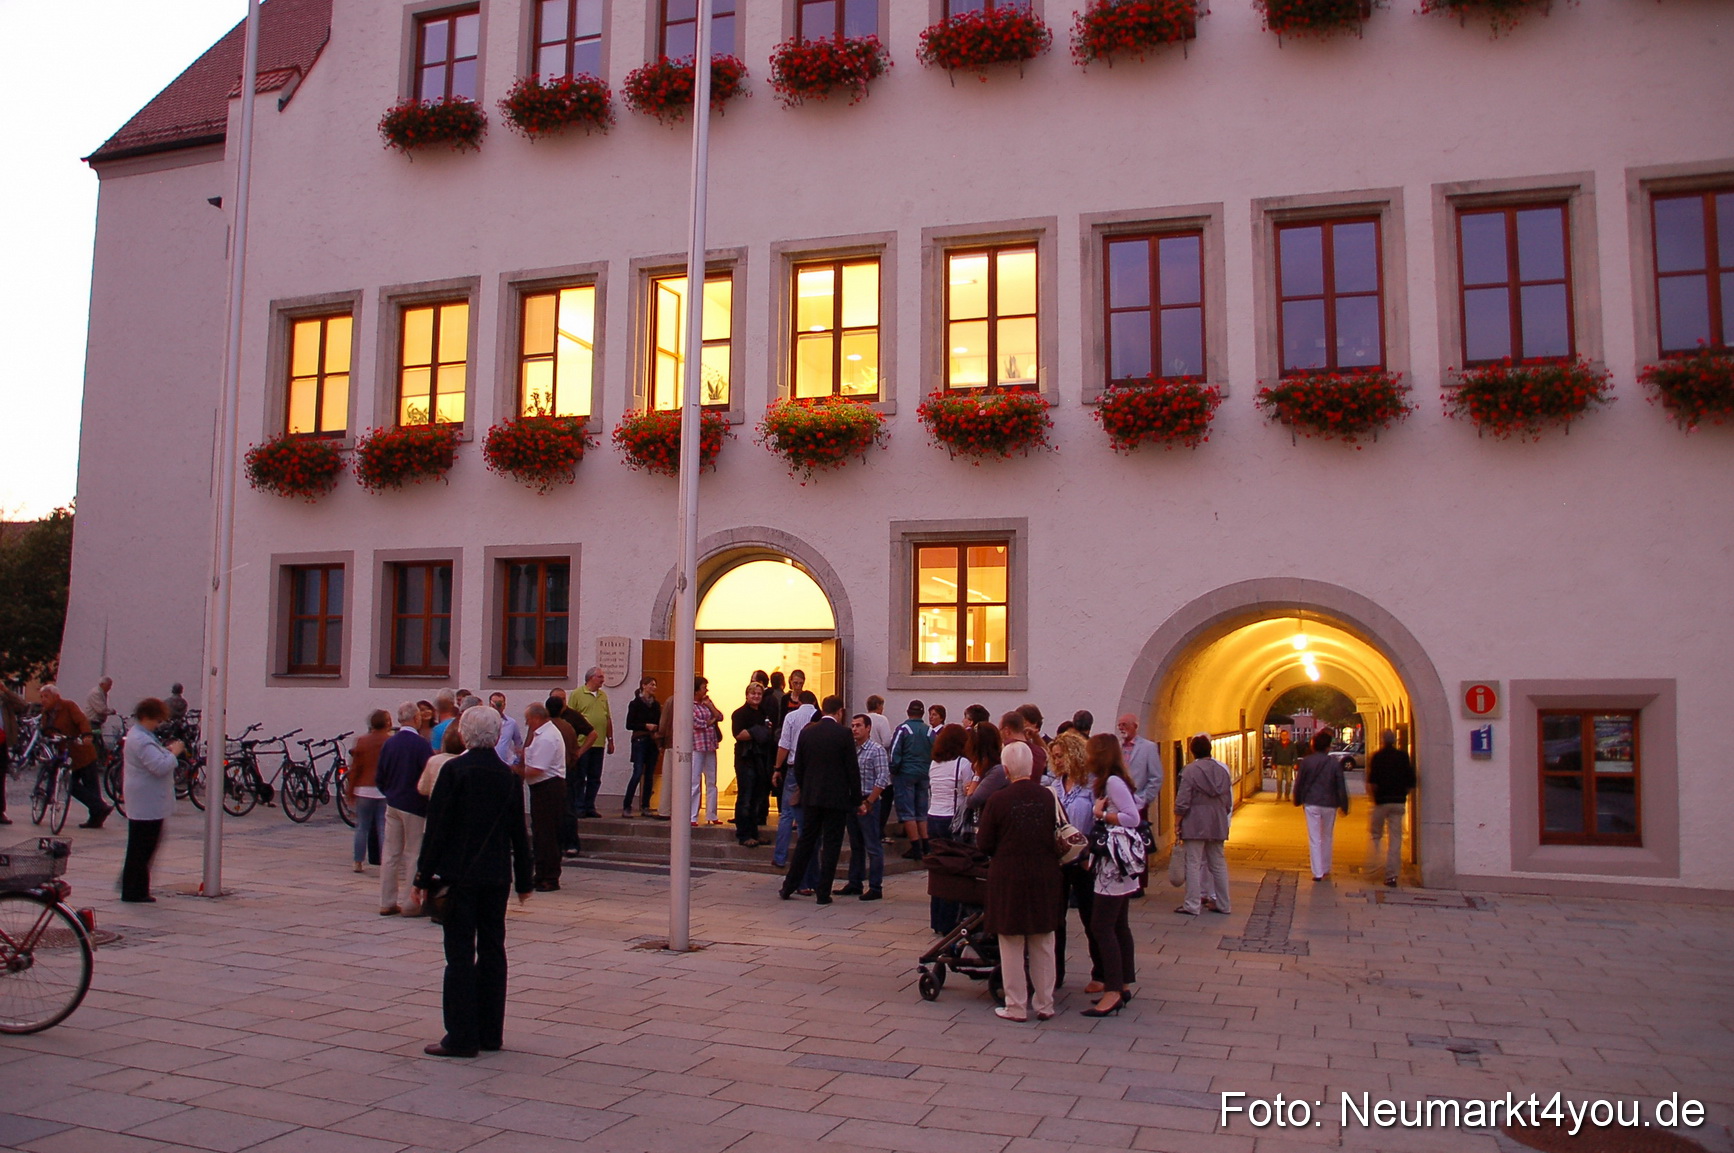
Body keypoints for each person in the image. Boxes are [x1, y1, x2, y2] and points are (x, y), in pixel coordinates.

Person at [413, 705, 534, 1058]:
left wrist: (422, 876)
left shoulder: (454, 771)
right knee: (494, 951)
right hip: (496, 876)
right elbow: (518, 834)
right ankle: (490, 1033)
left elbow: (436, 830)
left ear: (464, 735)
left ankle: (462, 1035)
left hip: (459, 876)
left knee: (460, 955)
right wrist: (525, 880)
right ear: (498, 737)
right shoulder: (509, 777)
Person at [978, 742, 1063, 1022]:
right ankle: (1045, 1003)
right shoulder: (1048, 796)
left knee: (1011, 941)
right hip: (1044, 874)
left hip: (1009, 875)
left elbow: (985, 843)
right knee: (1043, 940)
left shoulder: (998, 800)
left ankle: (1016, 1005)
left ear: (1005, 770)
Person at [778, 696, 861, 904]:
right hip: (836, 798)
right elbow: (852, 769)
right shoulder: (844, 734)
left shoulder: (807, 732)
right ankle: (823, 892)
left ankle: (789, 886)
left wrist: (806, 788)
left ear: (823, 710)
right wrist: (856, 798)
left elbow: (799, 766)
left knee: (806, 842)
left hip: (812, 796)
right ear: (840, 712)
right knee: (831, 845)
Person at [1082, 733, 1142, 1017]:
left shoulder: (1112, 782)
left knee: (1102, 925)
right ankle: (1123, 983)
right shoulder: (1114, 780)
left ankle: (1113, 989)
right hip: (1116, 865)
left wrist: (1102, 815)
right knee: (1118, 925)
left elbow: (1132, 817)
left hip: (1113, 866)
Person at [1046, 730, 1102, 993]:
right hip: (1060, 859)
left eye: (1061, 756)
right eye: (1054, 757)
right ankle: (1055, 973)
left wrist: (1089, 850)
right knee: (1056, 918)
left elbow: (1099, 820)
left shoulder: (1091, 784)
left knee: (1091, 917)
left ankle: (1100, 972)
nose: (1057, 761)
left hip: (1084, 859)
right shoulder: (1055, 785)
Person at [119, 697, 183, 902]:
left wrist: (166, 752)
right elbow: (159, 767)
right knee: (143, 846)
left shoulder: (140, 736)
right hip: (146, 801)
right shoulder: (141, 739)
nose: (158, 725)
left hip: (144, 799)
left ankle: (135, 887)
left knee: (141, 845)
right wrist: (175, 754)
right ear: (146, 717)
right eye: (156, 721)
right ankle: (134, 890)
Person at [377, 702, 434, 916]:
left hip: (393, 801)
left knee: (391, 853)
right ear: (416, 719)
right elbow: (427, 774)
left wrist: (389, 792)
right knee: (413, 853)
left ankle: (386, 900)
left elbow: (380, 775)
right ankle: (411, 904)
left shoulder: (389, 743)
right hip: (415, 803)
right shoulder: (420, 744)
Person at [1174, 734, 1234, 916]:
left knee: (1193, 863)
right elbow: (1227, 801)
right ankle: (1224, 904)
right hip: (1217, 820)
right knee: (1218, 863)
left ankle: (1192, 904)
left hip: (1195, 821)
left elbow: (1183, 800)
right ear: (1210, 749)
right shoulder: (1222, 771)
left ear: (1192, 751)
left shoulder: (1190, 771)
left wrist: (1178, 822)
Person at [924, 724, 974, 935]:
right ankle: (950, 920)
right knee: (953, 869)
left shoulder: (934, 763)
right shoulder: (963, 763)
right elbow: (969, 791)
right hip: (951, 819)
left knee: (937, 869)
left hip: (933, 816)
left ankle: (937, 918)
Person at [37, 684, 110, 828]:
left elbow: (82, 720)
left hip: (82, 752)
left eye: (46, 696)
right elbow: (46, 730)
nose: (43, 700)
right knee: (70, 785)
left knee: (90, 787)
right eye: (41, 697)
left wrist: (86, 735)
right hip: (65, 755)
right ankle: (100, 809)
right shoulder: (46, 713)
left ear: (56, 697)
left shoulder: (68, 706)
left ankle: (97, 816)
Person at [840, 714, 889, 901]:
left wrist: (869, 802)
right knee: (855, 844)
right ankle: (855, 882)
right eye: (852, 726)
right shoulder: (850, 749)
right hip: (853, 801)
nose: (854, 729)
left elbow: (883, 778)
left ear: (868, 728)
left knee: (873, 845)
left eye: (858, 725)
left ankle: (876, 886)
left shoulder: (876, 750)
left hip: (870, 801)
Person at [519, 702, 568, 890]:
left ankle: (549, 877)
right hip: (543, 788)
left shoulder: (548, 737)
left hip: (549, 789)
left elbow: (537, 769)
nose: (527, 724)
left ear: (537, 718)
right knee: (541, 833)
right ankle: (541, 873)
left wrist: (514, 770)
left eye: (528, 720)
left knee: (547, 834)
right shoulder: (542, 734)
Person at [1293, 730, 1349, 882]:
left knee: (1314, 837)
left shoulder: (1306, 762)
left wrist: (1297, 799)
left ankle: (1317, 872)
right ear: (1328, 747)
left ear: (1314, 746)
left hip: (1311, 802)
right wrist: (1344, 804)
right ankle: (1326, 867)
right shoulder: (1334, 764)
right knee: (1327, 835)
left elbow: (1300, 783)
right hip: (1330, 804)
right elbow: (1340, 785)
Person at [771, 690, 818, 869]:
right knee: (807, 815)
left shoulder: (791, 717)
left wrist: (777, 768)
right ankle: (806, 858)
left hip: (793, 767)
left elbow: (784, 745)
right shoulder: (818, 716)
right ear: (814, 702)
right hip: (813, 769)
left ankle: (780, 856)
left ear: (799, 701)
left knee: (787, 813)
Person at [1365, 729, 1416, 887]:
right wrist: (1403, 796)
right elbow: (1411, 782)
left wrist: (1374, 799)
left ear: (1382, 740)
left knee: (1375, 835)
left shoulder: (1377, 757)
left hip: (1381, 802)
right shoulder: (1403, 757)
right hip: (1398, 802)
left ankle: (1375, 864)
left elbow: (1371, 783)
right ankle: (1391, 875)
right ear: (1395, 740)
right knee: (1395, 840)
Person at [731, 682, 776, 847]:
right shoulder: (739, 713)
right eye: (753, 694)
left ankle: (754, 832)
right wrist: (759, 732)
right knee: (746, 797)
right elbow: (739, 735)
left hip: (761, 759)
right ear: (747, 695)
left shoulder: (764, 712)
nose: (756, 697)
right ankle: (743, 834)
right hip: (745, 759)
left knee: (758, 797)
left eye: (759, 694)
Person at [347, 710, 392, 873]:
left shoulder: (362, 741)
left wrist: (350, 790)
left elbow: (356, 767)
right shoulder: (389, 741)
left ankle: (358, 861)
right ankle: (385, 862)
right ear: (387, 723)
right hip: (383, 789)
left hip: (363, 788)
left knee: (362, 827)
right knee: (383, 827)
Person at [887, 700, 933, 861]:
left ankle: (915, 847)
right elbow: (935, 751)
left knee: (907, 811)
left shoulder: (903, 729)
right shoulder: (929, 731)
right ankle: (926, 845)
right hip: (924, 773)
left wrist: (893, 770)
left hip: (905, 773)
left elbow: (894, 753)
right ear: (923, 713)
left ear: (908, 712)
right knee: (921, 810)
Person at [566, 667, 614, 820]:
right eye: (600, 677)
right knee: (580, 776)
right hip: (582, 743)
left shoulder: (603, 696)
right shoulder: (577, 694)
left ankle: (590, 805)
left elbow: (607, 719)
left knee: (595, 777)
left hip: (599, 743)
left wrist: (610, 739)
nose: (602, 680)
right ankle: (579, 806)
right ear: (591, 678)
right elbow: (570, 718)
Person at [622, 675, 661, 818]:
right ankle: (627, 805)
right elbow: (629, 724)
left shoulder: (656, 705)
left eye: (655, 685)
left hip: (652, 741)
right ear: (643, 686)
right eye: (651, 684)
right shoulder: (635, 704)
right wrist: (645, 726)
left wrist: (658, 731)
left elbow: (659, 722)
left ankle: (646, 805)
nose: (654, 688)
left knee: (649, 774)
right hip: (639, 740)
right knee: (638, 772)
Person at [690, 676, 724, 825]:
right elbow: (697, 724)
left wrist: (711, 707)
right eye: (704, 687)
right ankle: (692, 815)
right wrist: (711, 720)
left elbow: (720, 716)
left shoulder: (706, 704)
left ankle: (712, 814)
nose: (706, 690)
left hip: (710, 745)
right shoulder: (690, 705)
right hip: (697, 746)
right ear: (697, 690)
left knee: (712, 780)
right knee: (695, 780)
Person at [1117, 715, 1162, 821]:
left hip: (1138, 803)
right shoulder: (1116, 747)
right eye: (1119, 725)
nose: (1121, 728)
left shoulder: (1148, 747)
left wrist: (1144, 799)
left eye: (1124, 724)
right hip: (1118, 804)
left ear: (1135, 726)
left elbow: (1156, 777)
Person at [0, 682, 28, 824]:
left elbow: (22, 705)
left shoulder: (4, 699)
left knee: (0, 777)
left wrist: (6, 690)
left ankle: (0, 812)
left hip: (1, 741)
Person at [489, 693, 523, 773]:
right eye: (495, 703)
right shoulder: (485, 722)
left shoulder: (511, 723)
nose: (497, 706)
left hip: (506, 766)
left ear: (504, 705)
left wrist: (516, 762)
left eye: (500, 703)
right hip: (489, 765)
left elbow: (518, 743)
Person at [1270, 729, 1298, 800]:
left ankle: (1287, 795)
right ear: (1281, 735)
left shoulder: (1291, 744)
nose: (1284, 736)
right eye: (1283, 735)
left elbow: (1295, 754)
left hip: (1289, 764)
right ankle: (1279, 794)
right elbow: (1274, 754)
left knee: (1288, 781)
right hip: (1279, 764)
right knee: (1279, 780)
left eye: (1285, 735)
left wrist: (1295, 763)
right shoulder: (1277, 744)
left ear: (1287, 735)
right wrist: (1273, 763)